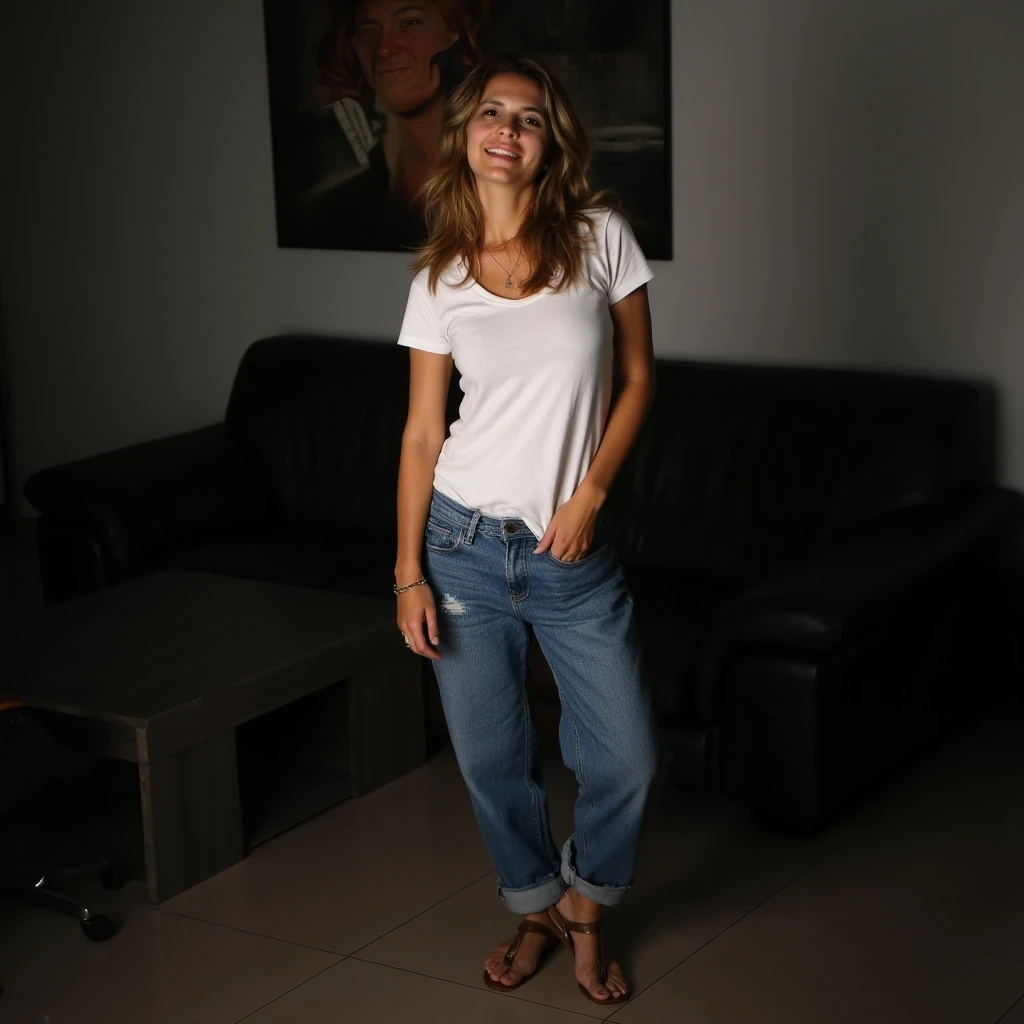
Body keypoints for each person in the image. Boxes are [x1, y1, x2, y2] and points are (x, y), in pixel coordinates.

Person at [393, 54, 665, 1005]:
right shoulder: (439, 275)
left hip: (569, 552)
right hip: (462, 546)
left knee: (626, 755)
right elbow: (425, 433)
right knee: (491, 760)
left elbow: (637, 380)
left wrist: (590, 493)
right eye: (493, 113)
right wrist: (406, 574)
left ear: (551, 142)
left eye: (532, 118)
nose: (508, 129)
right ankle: (537, 907)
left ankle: (587, 909)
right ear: (466, 131)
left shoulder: (600, 238)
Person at [304, 0, 490, 250]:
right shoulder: (326, 212)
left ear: (455, 33)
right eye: (368, 31)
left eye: (408, 23)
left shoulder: (499, 198)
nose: (384, 49)